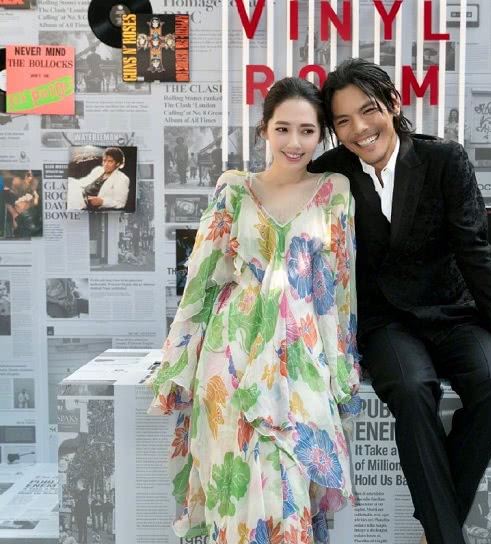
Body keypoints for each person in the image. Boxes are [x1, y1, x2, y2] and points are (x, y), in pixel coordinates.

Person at [309, 58, 491, 544]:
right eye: (343, 121)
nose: (359, 129)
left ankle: (437, 526)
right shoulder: (328, 173)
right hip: (386, 323)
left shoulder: (444, 159)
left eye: (368, 110)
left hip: (455, 312)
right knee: (411, 391)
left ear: (393, 103)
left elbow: (475, 253)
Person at [147, 77, 360, 543]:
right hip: (230, 354)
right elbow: (202, 278)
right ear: (264, 129)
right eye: (283, 128)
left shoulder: (335, 190)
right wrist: (178, 362)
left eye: (307, 131)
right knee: (234, 487)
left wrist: (340, 369)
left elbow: (338, 290)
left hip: (299, 356)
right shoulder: (234, 189)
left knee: (291, 484)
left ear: (321, 135)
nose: (294, 142)